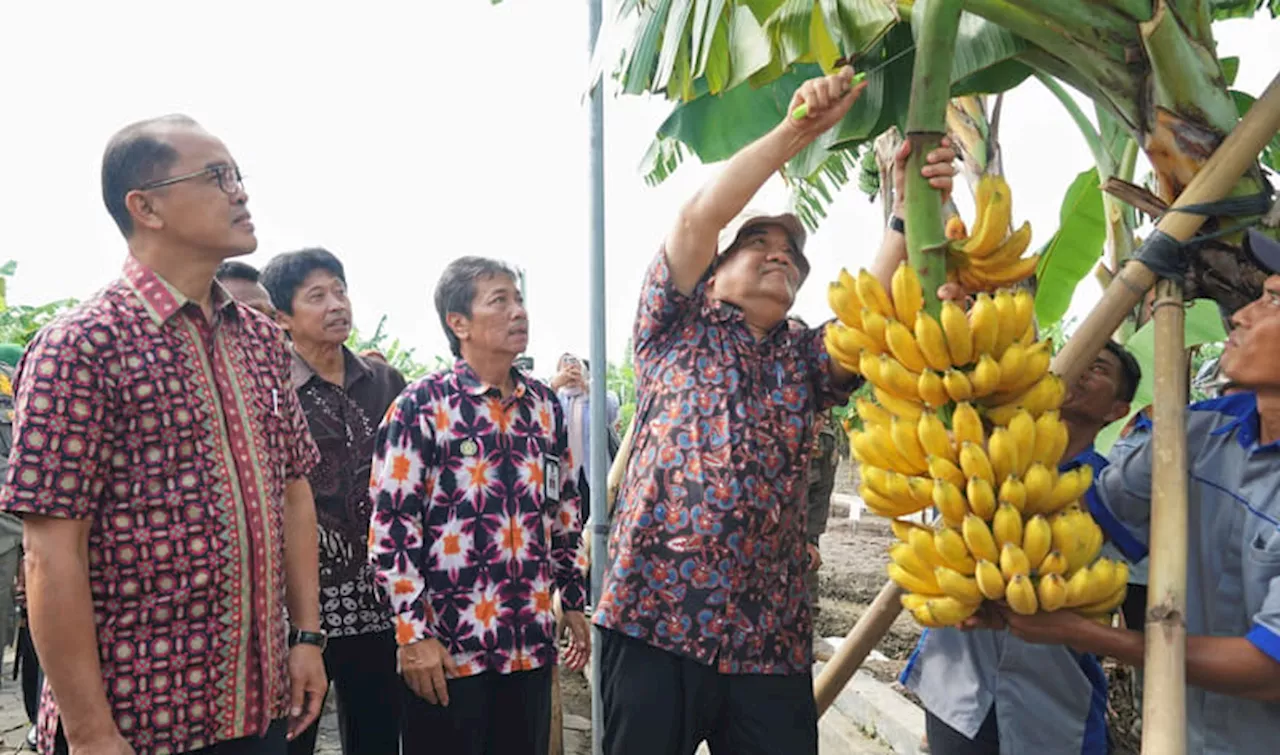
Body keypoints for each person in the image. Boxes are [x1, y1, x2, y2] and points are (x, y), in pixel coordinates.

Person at [591, 67, 957, 754]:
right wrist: (797, 131)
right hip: (654, 618)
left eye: (790, 254)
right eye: (758, 245)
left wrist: (906, 212)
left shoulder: (807, 358)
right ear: (713, 271)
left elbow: (871, 310)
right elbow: (700, 215)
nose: (778, 256)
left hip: (768, 638)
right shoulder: (673, 322)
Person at [0, 115, 326, 755]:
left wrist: (307, 637)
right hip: (137, 719)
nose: (240, 192)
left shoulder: (261, 341)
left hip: (252, 706)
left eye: (238, 175)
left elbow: (293, 493)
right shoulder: (83, 345)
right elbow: (50, 552)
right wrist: (91, 731)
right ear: (144, 207)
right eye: (216, 176)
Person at [974, 227, 1280, 753]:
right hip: (1184, 734)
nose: (1241, 315)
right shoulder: (1195, 436)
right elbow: (1082, 522)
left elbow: (1268, 669)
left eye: (1273, 301)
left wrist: (1092, 636)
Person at [367, 256, 591, 755]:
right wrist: (411, 634)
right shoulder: (422, 405)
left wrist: (573, 600)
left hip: (528, 645)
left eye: (519, 299)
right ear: (458, 322)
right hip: (448, 651)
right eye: (500, 300)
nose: (519, 312)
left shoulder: (543, 406)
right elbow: (392, 527)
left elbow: (563, 510)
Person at [900, 340, 1142, 754]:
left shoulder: (1109, 489)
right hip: (958, 685)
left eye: (1098, 368)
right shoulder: (982, 449)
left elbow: (1127, 595)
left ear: (1117, 410)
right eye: (1079, 358)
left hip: (1052, 696)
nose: (1082, 370)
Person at [258, 249, 407, 755]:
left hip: (380, 602)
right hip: (300, 609)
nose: (336, 304)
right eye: (316, 296)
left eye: (340, 290)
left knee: (378, 735)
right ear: (282, 316)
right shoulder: (270, 391)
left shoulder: (387, 384)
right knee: (292, 736)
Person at [804, 409, 839, 616]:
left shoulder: (825, 442)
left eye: (821, 419)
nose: (816, 426)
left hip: (801, 520)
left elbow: (821, 494)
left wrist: (811, 540)